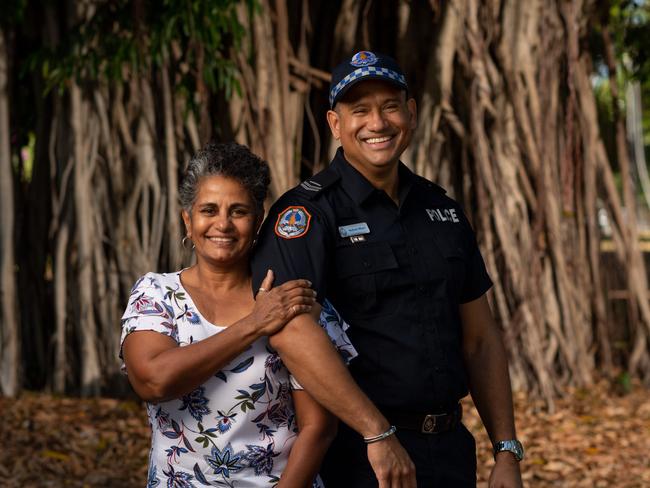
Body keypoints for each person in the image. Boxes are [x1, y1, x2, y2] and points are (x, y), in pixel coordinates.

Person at [251, 51, 524, 487]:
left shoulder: (443, 210)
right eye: (359, 110)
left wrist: (506, 450)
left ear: (411, 113)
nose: (377, 123)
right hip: (361, 456)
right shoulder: (308, 214)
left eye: (390, 106)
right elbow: (290, 331)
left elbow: (480, 338)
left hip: (451, 449)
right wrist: (376, 431)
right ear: (335, 124)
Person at [120, 142, 357, 488]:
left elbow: (319, 427)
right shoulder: (157, 294)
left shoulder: (290, 299)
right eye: (209, 210)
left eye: (238, 211)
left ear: (258, 221)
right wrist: (254, 324)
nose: (223, 224)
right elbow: (153, 381)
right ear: (188, 219)